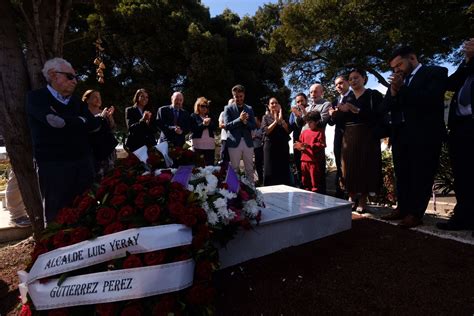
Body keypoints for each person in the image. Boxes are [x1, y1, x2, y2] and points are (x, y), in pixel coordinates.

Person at [26, 57, 101, 223]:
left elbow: (94, 124)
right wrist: (80, 121)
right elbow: (55, 122)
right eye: (70, 76)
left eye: (75, 77)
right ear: (53, 75)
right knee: (58, 218)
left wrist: (72, 121)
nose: (75, 81)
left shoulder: (76, 103)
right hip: (54, 168)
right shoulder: (36, 98)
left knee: (88, 214)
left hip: (83, 166)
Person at [382, 46, 448, 228]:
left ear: (412, 58)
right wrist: (394, 93)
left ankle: (415, 213)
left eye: (399, 65)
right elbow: (386, 106)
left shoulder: (436, 72)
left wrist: (402, 89)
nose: (396, 70)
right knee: (402, 174)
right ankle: (402, 208)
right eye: (393, 68)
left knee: (422, 174)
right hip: (400, 134)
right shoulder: (397, 82)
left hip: (425, 134)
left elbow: (430, 99)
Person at [331, 69, 384, 213]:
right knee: (348, 166)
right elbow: (339, 121)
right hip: (349, 135)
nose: (353, 81)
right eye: (351, 78)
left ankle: (363, 200)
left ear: (364, 79)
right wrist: (337, 113)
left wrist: (357, 110)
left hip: (367, 135)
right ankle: (351, 196)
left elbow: (379, 115)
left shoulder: (373, 95)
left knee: (365, 165)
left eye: (356, 78)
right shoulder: (347, 98)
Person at [436, 39, 474, 232]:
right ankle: (463, 218)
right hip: (461, 127)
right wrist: (467, 61)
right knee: (462, 175)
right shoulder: (466, 66)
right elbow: (451, 84)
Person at [302, 84, 332, 194]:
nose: (313, 94)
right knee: (307, 177)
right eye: (311, 92)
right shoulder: (308, 107)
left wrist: (306, 115)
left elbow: (322, 121)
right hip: (304, 145)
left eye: (315, 91)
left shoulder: (326, 104)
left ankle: (321, 199)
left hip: (316, 144)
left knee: (317, 176)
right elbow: (301, 124)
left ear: (322, 92)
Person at [82, 90, 118, 179]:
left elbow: (113, 128)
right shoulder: (84, 114)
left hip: (108, 150)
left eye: (99, 97)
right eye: (95, 97)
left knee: (111, 177)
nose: (98, 99)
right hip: (94, 153)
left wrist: (110, 118)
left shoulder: (104, 112)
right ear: (87, 100)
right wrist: (100, 117)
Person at [223, 84, 256, 182]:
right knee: (234, 169)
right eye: (236, 96)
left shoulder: (249, 109)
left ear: (244, 95)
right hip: (233, 142)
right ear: (233, 96)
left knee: (249, 169)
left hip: (248, 142)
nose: (238, 98)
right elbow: (227, 126)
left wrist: (246, 122)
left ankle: (251, 190)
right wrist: (239, 119)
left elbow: (253, 125)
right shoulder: (228, 108)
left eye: (240, 96)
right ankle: (235, 192)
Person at [328, 75, 354, 198]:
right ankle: (340, 191)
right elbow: (331, 122)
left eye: (341, 83)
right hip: (338, 135)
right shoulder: (334, 101)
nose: (338, 86)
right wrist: (332, 115)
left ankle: (353, 195)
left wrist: (342, 112)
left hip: (352, 134)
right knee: (339, 163)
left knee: (352, 163)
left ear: (348, 83)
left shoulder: (354, 96)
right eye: (336, 84)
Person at [294, 111, 326, 192]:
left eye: (311, 122)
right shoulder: (304, 132)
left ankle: (316, 201)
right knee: (305, 182)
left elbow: (322, 144)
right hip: (304, 161)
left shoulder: (320, 132)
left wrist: (310, 146)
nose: (308, 124)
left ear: (317, 121)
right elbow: (300, 143)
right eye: (307, 122)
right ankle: (306, 202)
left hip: (314, 162)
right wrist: (298, 146)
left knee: (315, 183)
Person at [261, 97, 291, 186]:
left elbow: (288, 130)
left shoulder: (284, 116)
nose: (274, 105)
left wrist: (281, 121)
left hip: (283, 146)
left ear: (279, 105)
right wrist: (275, 122)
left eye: (276, 103)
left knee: (283, 171)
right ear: (269, 106)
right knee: (269, 171)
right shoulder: (265, 117)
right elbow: (266, 131)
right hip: (270, 146)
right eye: (272, 103)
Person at [190, 97, 217, 166]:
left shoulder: (210, 116)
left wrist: (209, 123)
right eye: (202, 106)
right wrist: (203, 124)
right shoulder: (194, 116)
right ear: (198, 106)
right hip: (198, 145)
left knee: (210, 166)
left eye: (206, 106)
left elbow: (215, 128)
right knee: (198, 166)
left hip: (210, 145)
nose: (204, 108)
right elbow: (193, 129)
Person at [289, 93, 308, 187]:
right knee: (298, 164)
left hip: (307, 142)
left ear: (306, 100)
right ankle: (301, 186)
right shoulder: (293, 113)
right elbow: (291, 127)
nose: (300, 103)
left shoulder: (310, 109)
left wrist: (300, 115)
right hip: (297, 141)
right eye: (297, 102)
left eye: (302, 101)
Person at [252, 116, 264, 185]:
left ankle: (264, 179)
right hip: (255, 149)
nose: (254, 122)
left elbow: (264, 137)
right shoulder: (253, 129)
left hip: (261, 148)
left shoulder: (262, 128)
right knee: (258, 165)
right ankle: (260, 180)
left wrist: (257, 137)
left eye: (255, 120)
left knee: (262, 164)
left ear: (259, 121)